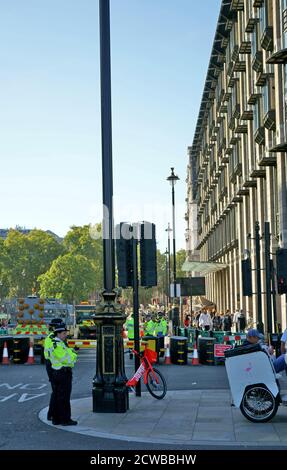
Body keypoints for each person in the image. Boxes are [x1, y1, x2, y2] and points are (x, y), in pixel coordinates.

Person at [49, 324, 78, 426]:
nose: (66, 335)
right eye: (64, 333)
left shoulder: (60, 344)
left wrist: (71, 353)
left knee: (58, 397)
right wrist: (74, 356)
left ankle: (56, 419)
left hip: (59, 373)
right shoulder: (57, 345)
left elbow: (68, 353)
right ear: (59, 334)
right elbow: (67, 359)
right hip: (62, 373)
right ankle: (65, 419)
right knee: (64, 398)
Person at [43, 318, 63, 421]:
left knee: (56, 391)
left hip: (52, 365)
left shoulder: (52, 337)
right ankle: (52, 414)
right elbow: (54, 354)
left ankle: (52, 413)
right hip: (52, 366)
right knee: (56, 391)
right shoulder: (52, 338)